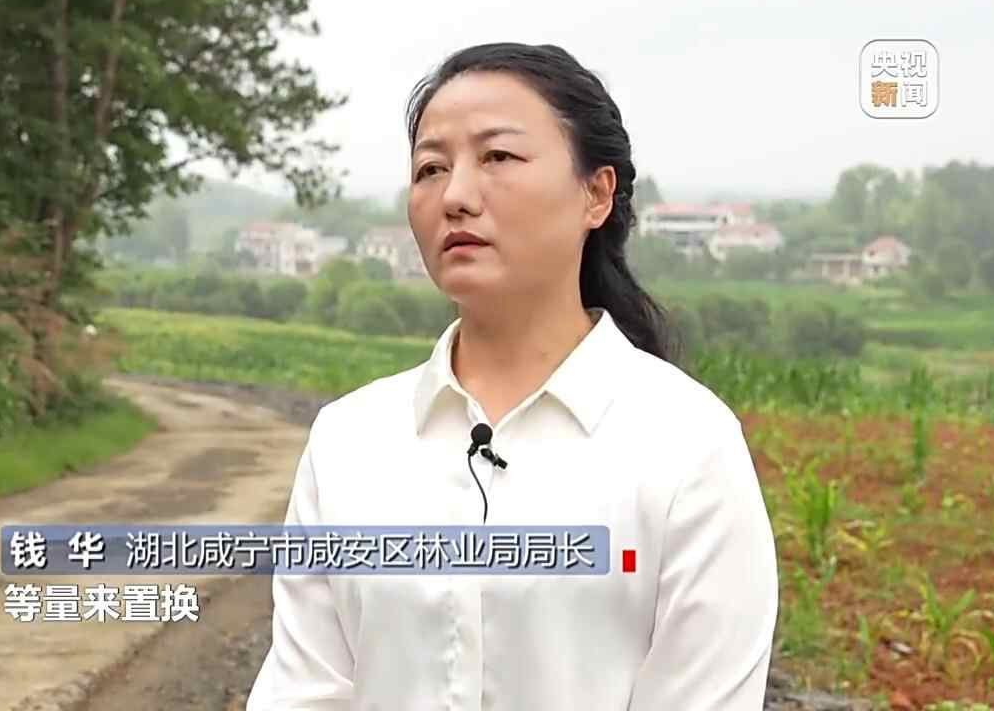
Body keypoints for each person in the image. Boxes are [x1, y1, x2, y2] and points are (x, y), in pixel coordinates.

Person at [246, 42, 779, 710]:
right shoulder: (349, 440)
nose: (456, 196)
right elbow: (304, 690)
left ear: (596, 193)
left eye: (498, 157)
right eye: (431, 168)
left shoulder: (686, 443)